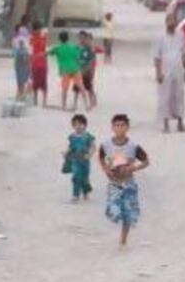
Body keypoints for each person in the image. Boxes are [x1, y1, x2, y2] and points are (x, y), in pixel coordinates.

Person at [98, 114, 150, 247]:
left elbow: (146, 161)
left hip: (128, 183)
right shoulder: (106, 145)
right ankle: (117, 219)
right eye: (116, 125)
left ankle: (123, 239)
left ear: (127, 127)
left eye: (122, 125)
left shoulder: (133, 146)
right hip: (114, 183)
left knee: (128, 212)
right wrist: (106, 170)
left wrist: (133, 168)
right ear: (112, 127)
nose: (119, 128)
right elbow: (101, 158)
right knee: (114, 211)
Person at [153, 12, 185, 133]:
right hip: (165, 70)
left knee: (179, 95)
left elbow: (183, 52)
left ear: (176, 23)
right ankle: (165, 124)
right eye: (169, 21)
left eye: (173, 21)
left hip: (178, 69)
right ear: (165, 22)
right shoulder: (160, 37)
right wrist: (158, 73)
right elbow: (156, 56)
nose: (171, 24)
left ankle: (180, 123)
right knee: (165, 96)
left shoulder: (181, 34)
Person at [63, 114, 96, 203]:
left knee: (85, 177)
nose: (78, 126)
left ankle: (85, 191)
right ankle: (75, 195)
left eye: (81, 124)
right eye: (76, 124)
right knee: (76, 177)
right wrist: (66, 152)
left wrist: (89, 155)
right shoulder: (72, 137)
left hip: (85, 161)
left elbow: (93, 147)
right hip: (75, 160)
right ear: (73, 125)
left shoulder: (88, 136)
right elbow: (70, 147)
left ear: (85, 125)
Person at [48, 31, 83, 110]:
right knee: (81, 86)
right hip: (75, 69)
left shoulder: (58, 48)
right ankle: (87, 104)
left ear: (59, 39)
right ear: (68, 38)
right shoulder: (73, 47)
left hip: (65, 70)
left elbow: (48, 53)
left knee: (64, 89)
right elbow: (78, 57)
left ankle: (64, 105)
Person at [74, 31, 101, 110]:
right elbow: (74, 58)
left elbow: (92, 60)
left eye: (83, 38)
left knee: (89, 87)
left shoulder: (89, 48)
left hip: (87, 71)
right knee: (76, 88)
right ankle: (75, 104)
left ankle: (92, 103)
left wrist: (90, 71)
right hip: (78, 70)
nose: (81, 39)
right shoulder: (77, 47)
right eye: (80, 37)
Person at [29, 21, 49, 108]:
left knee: (43, 83)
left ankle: (43, 101)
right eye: (38, 30)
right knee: (35, 83)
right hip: (35, 63)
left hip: (42, 63)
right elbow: (30, 51)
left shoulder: (42, 37)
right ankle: (35, 100)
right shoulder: (33, 38)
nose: (39, 31)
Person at [12, 25, 31, 100]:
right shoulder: (28, 39)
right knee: (27, 77)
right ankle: (26, 93)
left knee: (19, 77)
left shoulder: (15, 40)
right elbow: (30, 52)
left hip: (17, 62)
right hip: (26, 61)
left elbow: (14, 50)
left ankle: (19, 92)